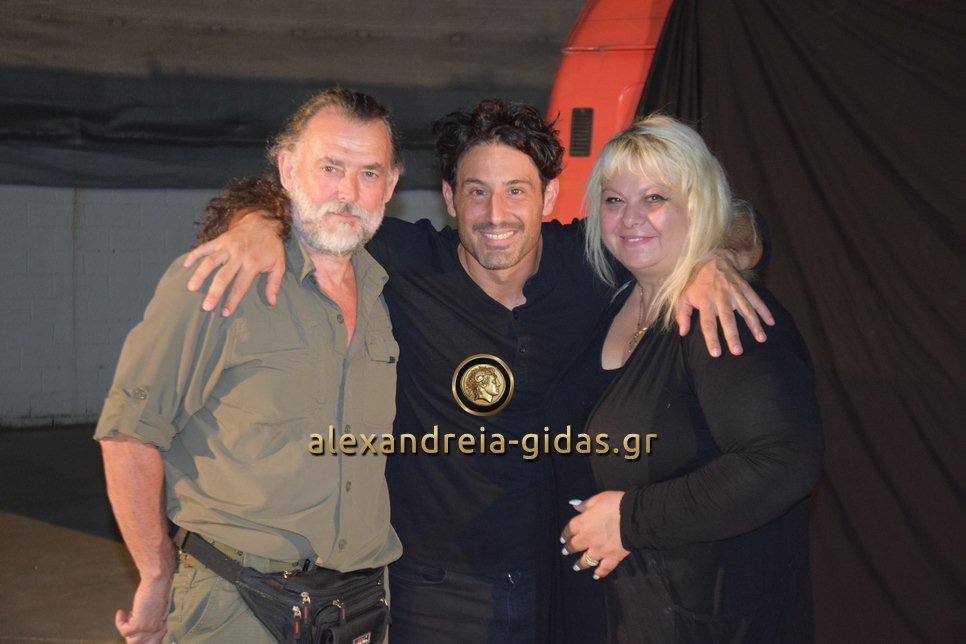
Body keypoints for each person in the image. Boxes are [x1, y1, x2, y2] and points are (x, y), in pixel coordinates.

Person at [182, 99, 774, 643]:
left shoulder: (593, 262)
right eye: (476, 191)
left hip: (563, 579)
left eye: (517, 191)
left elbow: (741, 228)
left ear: (548, 197)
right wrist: (255, 228)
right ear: (448, 197)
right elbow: (293, 205)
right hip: (431, 590)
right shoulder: (406, 262)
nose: (496, 214)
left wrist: (710, 259)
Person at [94, 88, 403, 644]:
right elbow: (128, 435)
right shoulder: (218, 280)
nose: (348, 192)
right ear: (287, 169)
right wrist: (156, 572)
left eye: (369, 173)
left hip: (357, 605)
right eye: (330, 168)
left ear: (392, 184)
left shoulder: (389, 293)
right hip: (236, 603)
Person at [553, 115, 824, 642]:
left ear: (698, 207)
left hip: (712, 621)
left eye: (655, 198)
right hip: (620, 616)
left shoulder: (723, 311)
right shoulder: (611, 293)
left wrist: (631, 519)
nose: (631, 218)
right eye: (614, 200)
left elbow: (785, 461)